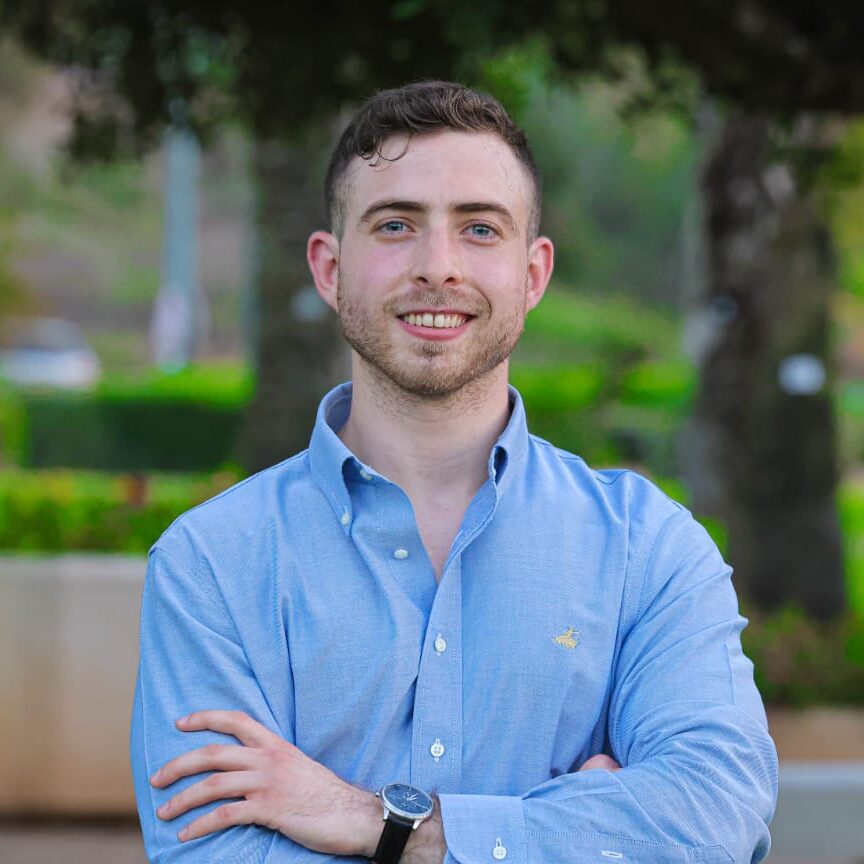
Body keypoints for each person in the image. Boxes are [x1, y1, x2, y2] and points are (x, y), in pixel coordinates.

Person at [131, 81, 778, 864]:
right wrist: (574, 829)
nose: (438, 267)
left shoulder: (650, 551)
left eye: (479, 229)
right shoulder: (211, 566)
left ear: (533, 273)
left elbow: (714, 815)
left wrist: (379, 823)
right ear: (330, 268)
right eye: (395, 225)